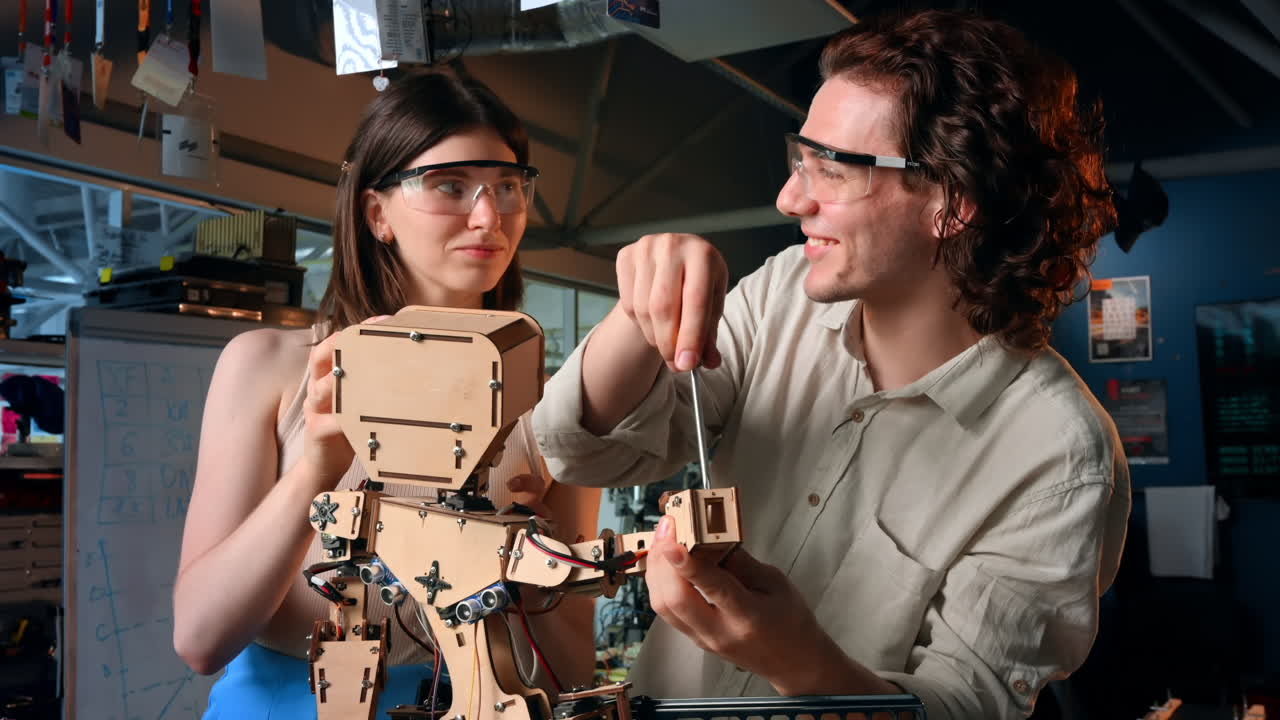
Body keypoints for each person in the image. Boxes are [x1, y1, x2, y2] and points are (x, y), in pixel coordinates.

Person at [532, 9, 1129, 720]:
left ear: (951, 202)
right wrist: (637, 316)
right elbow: (575, 452)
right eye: (801, 157)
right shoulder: (783, 294)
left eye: (833, 169)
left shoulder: (1059, 457)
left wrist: (798, 662)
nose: (791, 197)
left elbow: (970, 706)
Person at [173, 68, 599, 718]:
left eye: (507, 187)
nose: (489, 216)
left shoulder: (550, 408)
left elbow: (573, 670)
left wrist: (526, 567)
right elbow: (201, 639)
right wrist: (313, 473)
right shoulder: (269, 368)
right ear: (378, 213)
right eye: (449, 186)